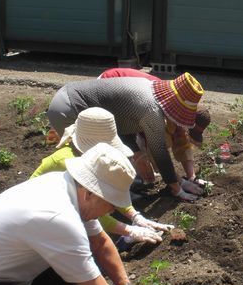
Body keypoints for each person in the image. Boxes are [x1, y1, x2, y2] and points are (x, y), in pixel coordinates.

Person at [0, 143, 178, 285]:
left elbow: (100, 242)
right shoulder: (58, 216)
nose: (110, 211)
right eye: (111, 204)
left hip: (1, 274)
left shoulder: (67, 186)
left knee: (81, 262)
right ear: (91, 194)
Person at [47, 72, 206, 201]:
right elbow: (159, 153)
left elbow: (121, 127)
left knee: (103, 158)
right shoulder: (151, 110)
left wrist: (179, 180)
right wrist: (177, 189)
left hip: (67, 98)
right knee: (89, 164)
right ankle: (79, 205)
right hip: (70, 108)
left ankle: (107, 202)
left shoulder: (149, 90)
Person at [31, 107, 172, 246]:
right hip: (42, 223)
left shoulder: (84, 158)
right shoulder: (68, 162)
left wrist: (135, 216)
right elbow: (91, 212)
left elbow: (107, 191)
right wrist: (128, 230)